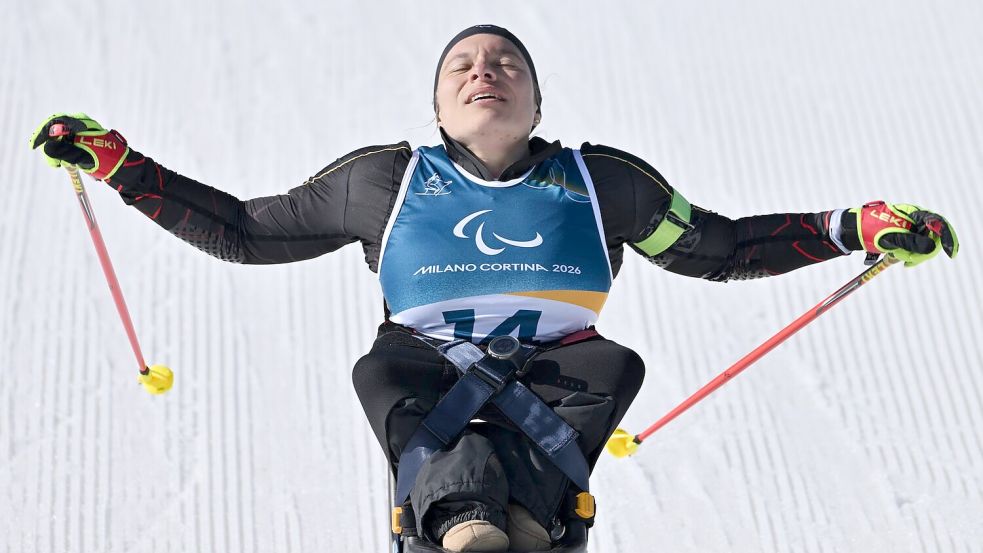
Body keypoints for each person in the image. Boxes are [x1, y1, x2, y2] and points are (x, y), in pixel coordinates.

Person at [30, 24, 958, 553]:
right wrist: (118, 164)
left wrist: (852, 227)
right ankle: (474, 523)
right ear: (437, 108)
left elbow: (715, 248)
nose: (485, 72)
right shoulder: (384, 182)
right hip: (423, 372)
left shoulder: (605, 183)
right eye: (462, 67)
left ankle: (503, 521)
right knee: (424, 432)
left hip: (562, 379)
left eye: (506, 64)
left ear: (537, 103)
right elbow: (243, 229)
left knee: (584, 405)